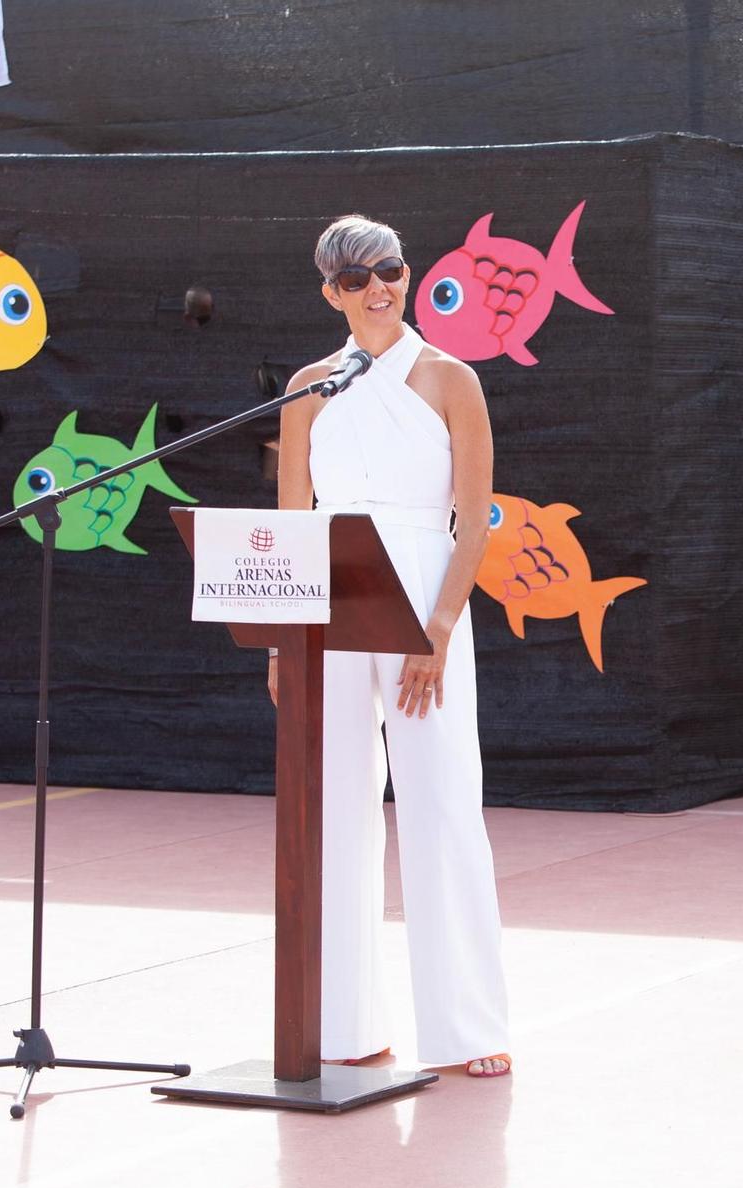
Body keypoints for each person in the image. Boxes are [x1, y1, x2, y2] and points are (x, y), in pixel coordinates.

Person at [271, 214, 511, 1077]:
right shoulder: (307, 388)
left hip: (421, 590)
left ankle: (468, 1028)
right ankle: (343, 1024)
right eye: (358, 276)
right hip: (327, 604)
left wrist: (439, 627)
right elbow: (292, 518)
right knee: (335, 805)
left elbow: (474, 514)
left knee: (441, 802)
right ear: (330, 291)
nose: (381, 287)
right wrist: (278, 646)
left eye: (393, 269)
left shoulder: (452, 378)